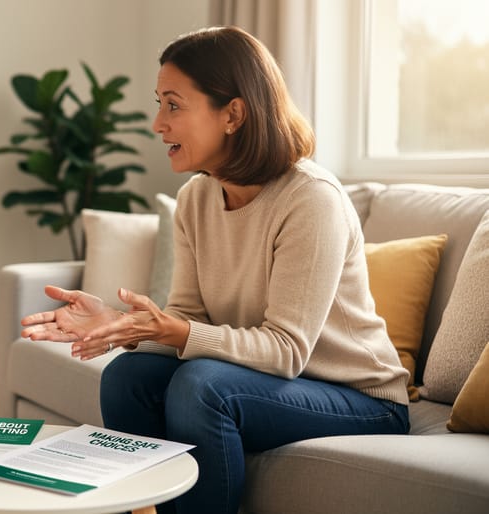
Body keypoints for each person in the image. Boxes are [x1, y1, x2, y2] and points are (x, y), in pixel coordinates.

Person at [20, 26, 410, 514]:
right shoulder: (196, 199)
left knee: (202, 385)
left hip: (361, 399)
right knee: (128, 376)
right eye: (158, 102)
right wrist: (125, 328)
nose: (158, 123)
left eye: (174, 105)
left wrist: (176, 331)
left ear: (233, 114)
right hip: (274, 382)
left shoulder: (311, 200)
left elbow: (286, 350)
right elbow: (189, 316)